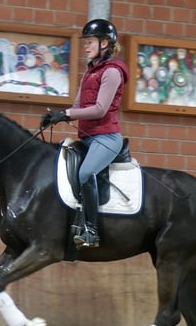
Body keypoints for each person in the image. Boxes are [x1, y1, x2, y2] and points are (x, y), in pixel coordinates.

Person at [40, 18, 129, 249]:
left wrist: (67, 114)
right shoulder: (89, 72)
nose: (86, 46)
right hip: (88, 138)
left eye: (90, 42)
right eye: (86, 42)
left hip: (107, 138)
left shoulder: (112, 72)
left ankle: (91, 230)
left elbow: (100, 109)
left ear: (104, 43)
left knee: (86, 172)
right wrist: (57, 115)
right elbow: (78, 104)